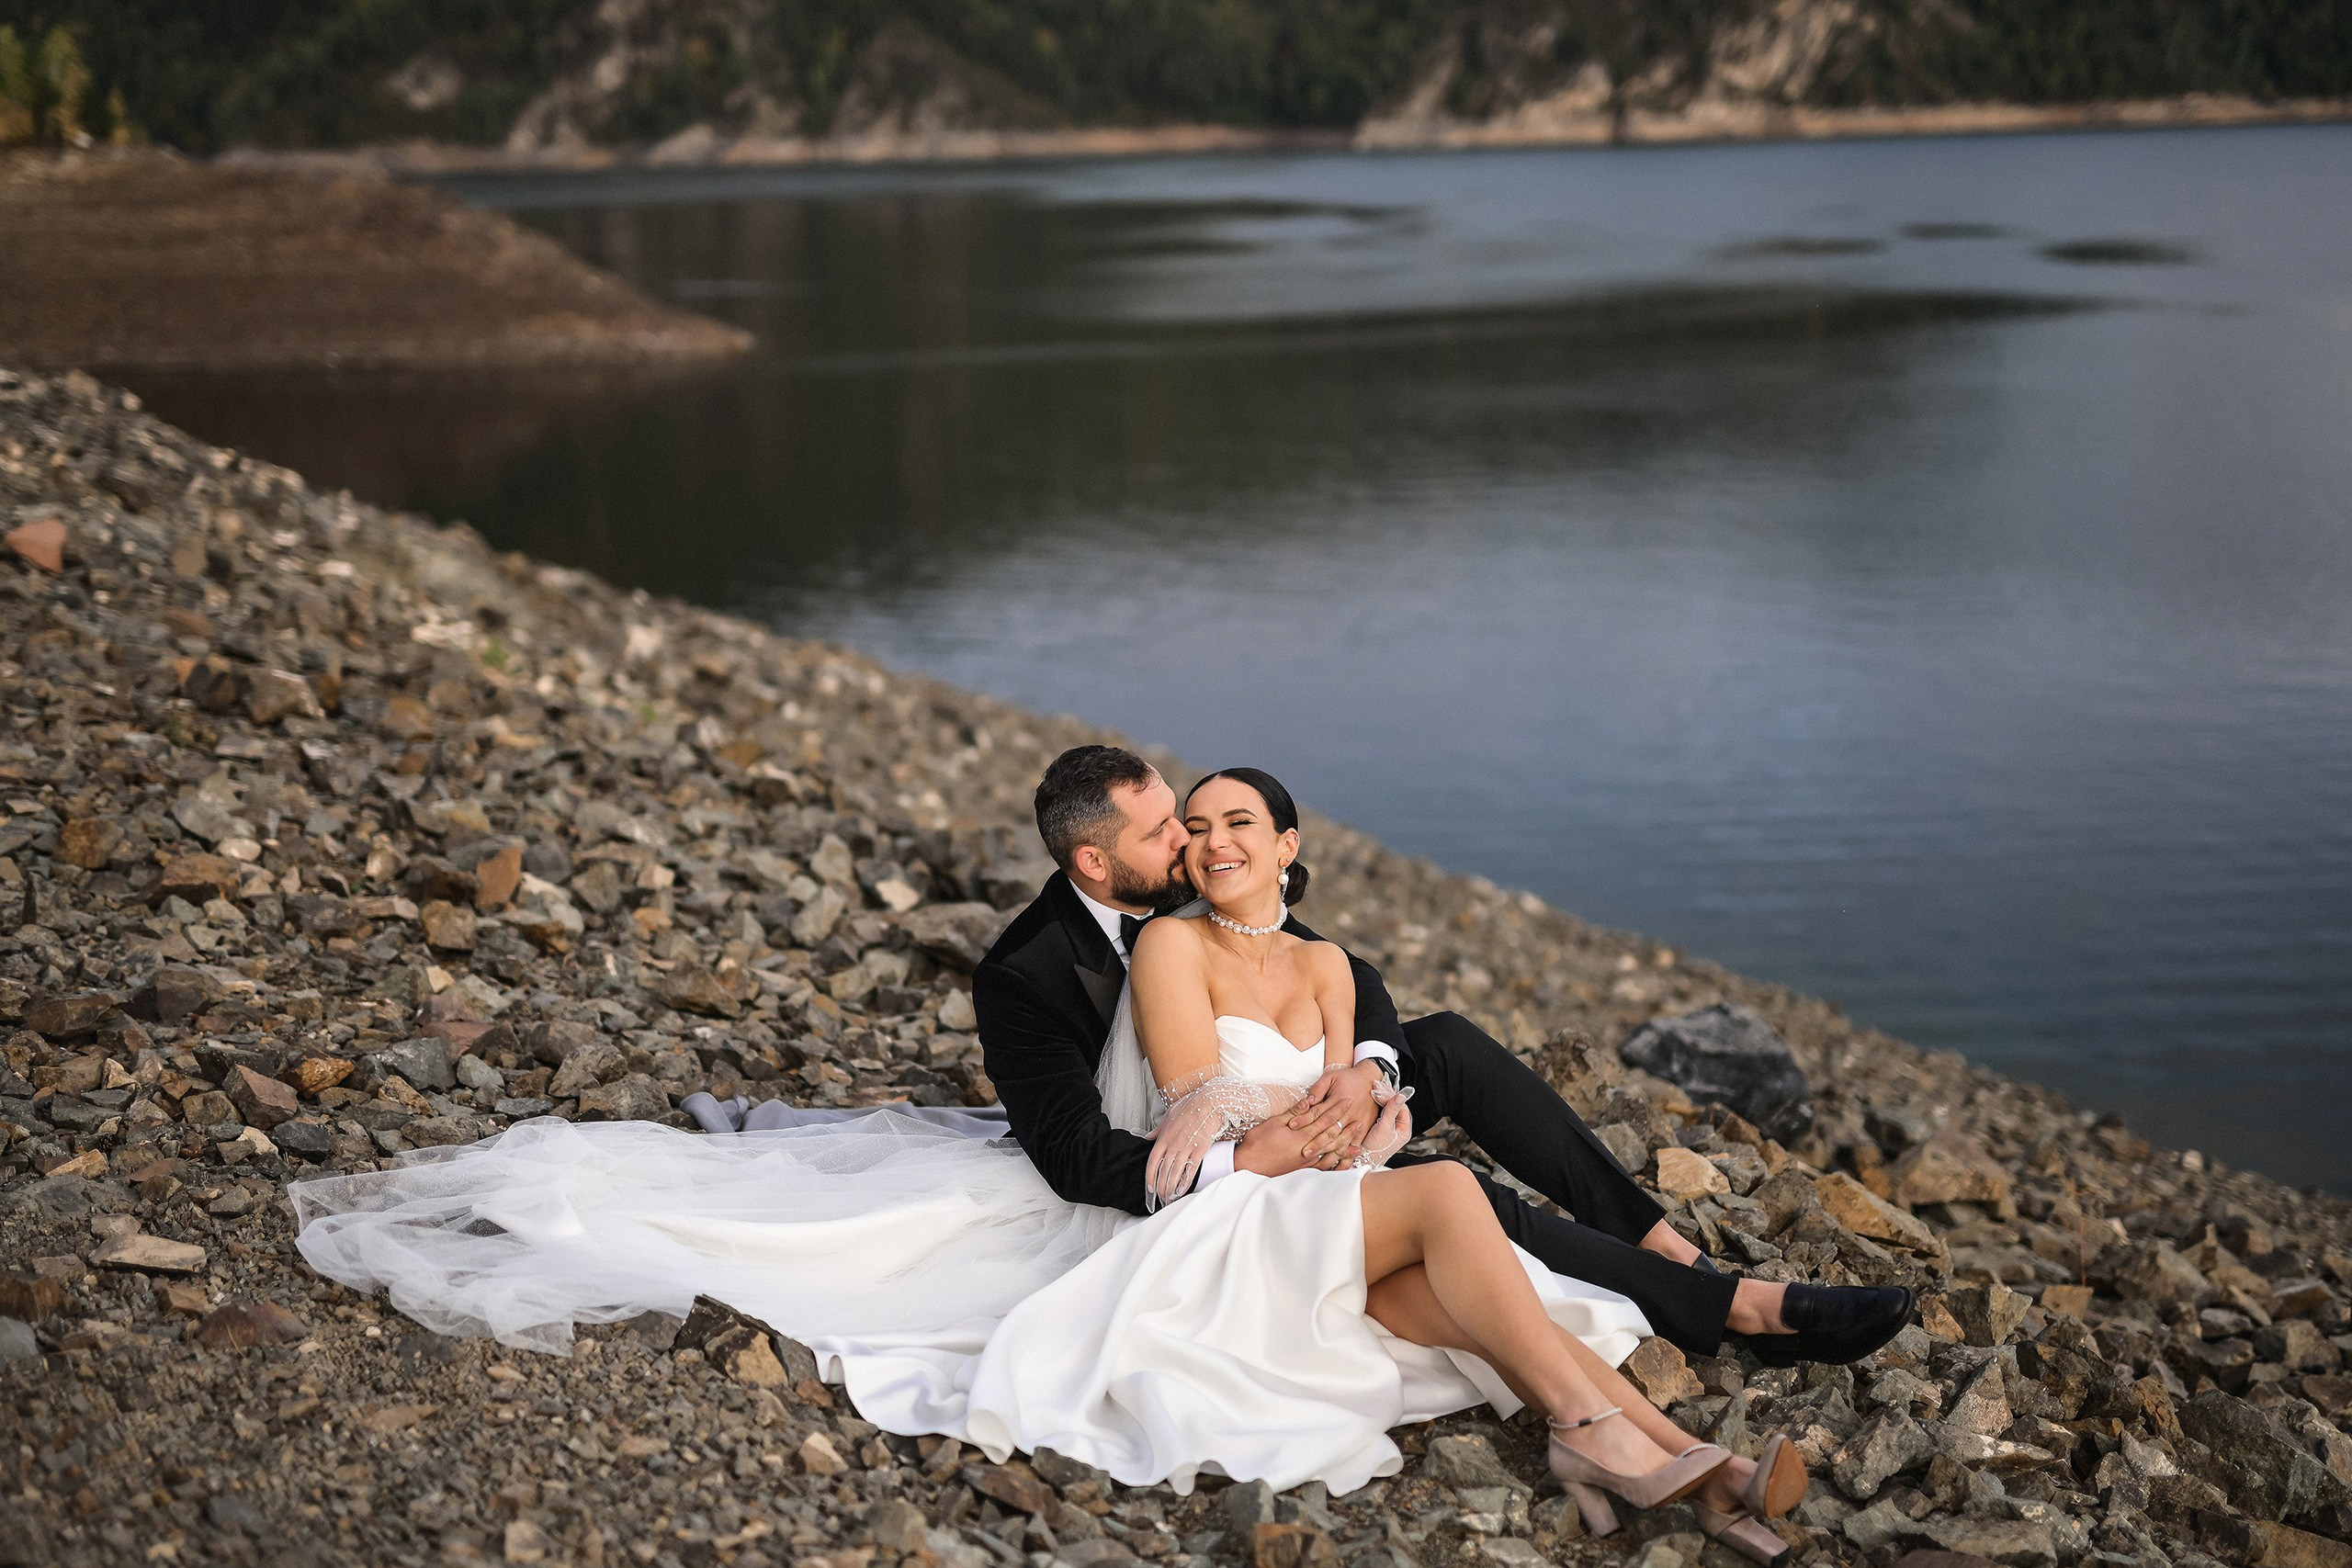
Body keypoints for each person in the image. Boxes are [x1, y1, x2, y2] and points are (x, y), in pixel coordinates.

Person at [976, 747, 1913, 1369]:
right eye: (1164, 832)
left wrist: (1371, 1069)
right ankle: (1734, 1308)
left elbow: (1343, 971)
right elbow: (1071, 1156)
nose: (1191, 839)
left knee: (1449, 1045)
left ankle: (1659, 1239)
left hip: (1286, 1100)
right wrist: (1237, 1150)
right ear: (1094, 865)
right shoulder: (1025, 976)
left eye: (1186, 819)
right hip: (1193, 1171)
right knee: (1456, 1192)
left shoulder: (1190, 881)